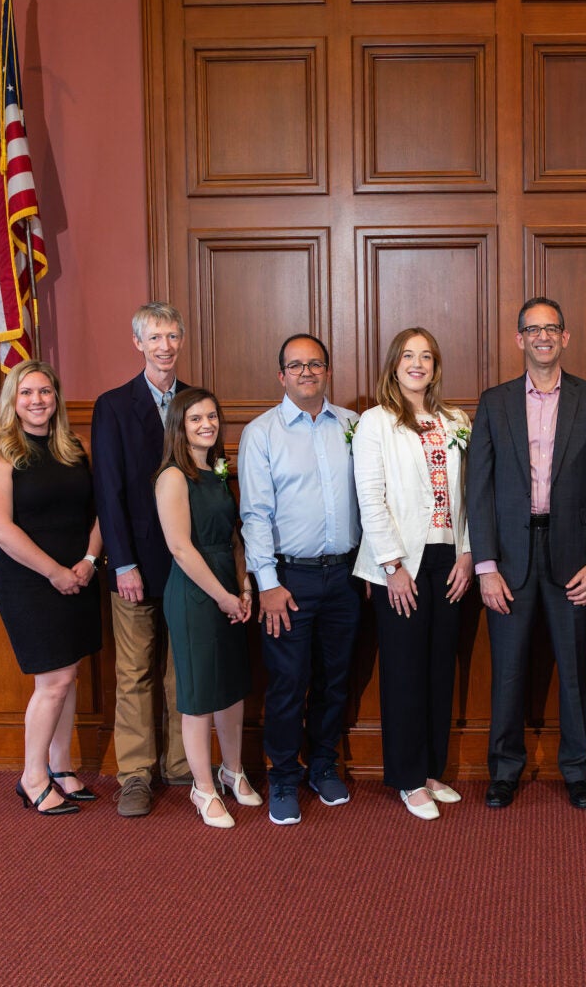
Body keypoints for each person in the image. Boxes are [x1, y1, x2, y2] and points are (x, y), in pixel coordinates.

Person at [468, 296, 586, 810]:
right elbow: (479, 488)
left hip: (573, 558)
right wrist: (485, 566)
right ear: (520, 339)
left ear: (565, 337)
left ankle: (577, 770)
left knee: (575, 671)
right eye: (533, 329)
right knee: (508, 670)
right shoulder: (494, 402)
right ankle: (504, 770)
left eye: (551, 328)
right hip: (509, 559)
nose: (543, 337)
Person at [352, 329, 474, 821]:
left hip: (449, 559)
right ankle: (407, 778)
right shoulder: (376, 421)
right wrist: (392, 566)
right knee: (404, 671)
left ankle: (431, 770)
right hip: (401, 564)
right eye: (408, 355)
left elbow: (471, 494)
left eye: (426, 356)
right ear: (394, 364)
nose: (417, 364)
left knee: (440, 668)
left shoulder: (455, 420)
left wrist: (468, 553)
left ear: (436, 366)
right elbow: (370, 497)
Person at [239, 333, 361, 826]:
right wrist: (267, 584)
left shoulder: (353, 426)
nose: (306, 372)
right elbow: (255, 514)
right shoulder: (262, 433)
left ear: (328, 371)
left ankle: (323, 765)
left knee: (335, 679)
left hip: (346, 576)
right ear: (281, 375)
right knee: (288, 683)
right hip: (289, 579)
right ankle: (284, 777)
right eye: (296, 365)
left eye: (315, 364)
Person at [0, 360, 103, 816]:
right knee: (54, 680)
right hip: (28, 578)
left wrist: (88, 561)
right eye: (26, 392)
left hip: (79, 575)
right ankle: (32, 777)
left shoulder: (75, 447)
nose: (37, 400)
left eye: (45, 391)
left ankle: (61, 767)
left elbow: (100, 511)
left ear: (56, 397)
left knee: (68, 674)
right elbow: (0, 528)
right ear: (12, 400)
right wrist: (54, 572)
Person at [91, 302, 191, 816]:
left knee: (182, 670)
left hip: (187, 563)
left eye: (171, 336)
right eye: (155, 337)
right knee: (134, 674)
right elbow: (107, 492)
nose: (164, 346)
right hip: (135, 564)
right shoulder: (113, 406)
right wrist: (122, 563)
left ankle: (181, 764)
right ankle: (134, 774)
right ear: (138, 343)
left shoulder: (194, 402)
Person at [155, 388, 258, 829]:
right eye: (195, 418)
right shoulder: (173, 477)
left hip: (229, 585)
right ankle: (203, 788)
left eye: (212, 416)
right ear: (179, 426)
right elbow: (180, 548)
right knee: (199, 695)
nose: (206, 425)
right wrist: (222, 596)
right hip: (195, 592)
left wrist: (244, 585)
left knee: (231, 687)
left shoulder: (217, 472)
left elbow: (234, 536)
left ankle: (232, 771)